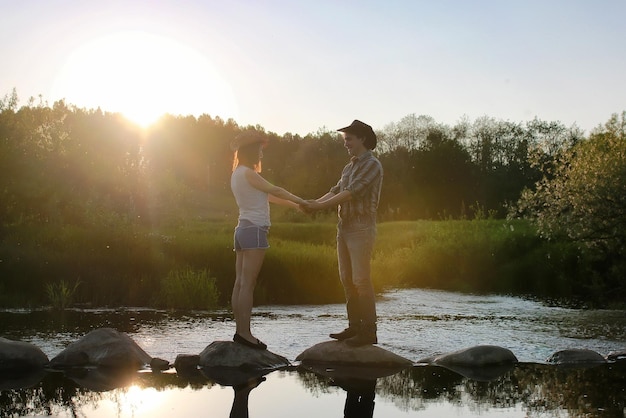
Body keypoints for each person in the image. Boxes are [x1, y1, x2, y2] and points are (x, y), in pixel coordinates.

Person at [303, 120, 383, 346]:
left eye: (349, 139)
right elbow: (335, 190)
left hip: (361, 227)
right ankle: (354, 327)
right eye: (345, 139)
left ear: (362, 139)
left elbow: (351, 193)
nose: (345, 143)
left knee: (361, 280)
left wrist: (318, 207)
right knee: (347, 279)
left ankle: (369, 332)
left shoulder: (372, 165)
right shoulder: (349, 167)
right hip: (344, 227)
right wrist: (311, 203)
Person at [230, 131, 306, 350]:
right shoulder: (248, 173)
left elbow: (268, 196)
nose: (261, 153)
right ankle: (245, 333)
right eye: (260, 150)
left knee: (240, 282)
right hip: (254, 230)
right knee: (248, 284)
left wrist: (295, 206)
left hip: (242, 230)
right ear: (252, 151)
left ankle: (240, 331)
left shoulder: (237, 174)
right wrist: (302, 200)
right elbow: (275, 189)